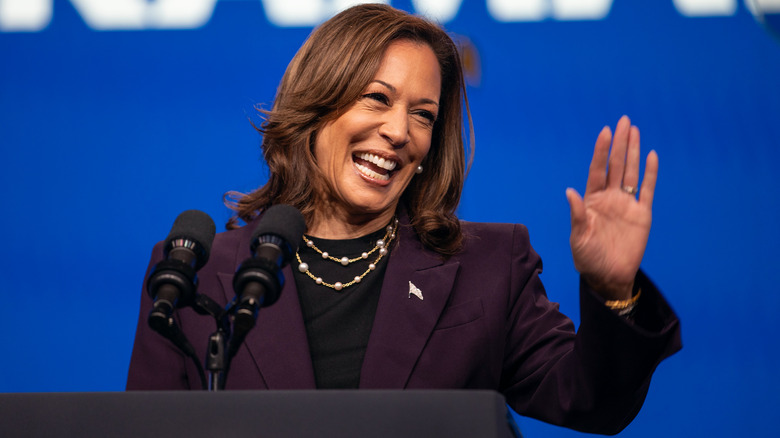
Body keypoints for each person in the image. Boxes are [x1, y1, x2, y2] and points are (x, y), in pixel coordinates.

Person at [127, 4, 681, 435]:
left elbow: (590, 400)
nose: (400, 131)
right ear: (316, 107)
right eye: (377, 98)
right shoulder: (196, 275)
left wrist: (614, 291)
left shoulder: (487, 268)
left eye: (423, 115)